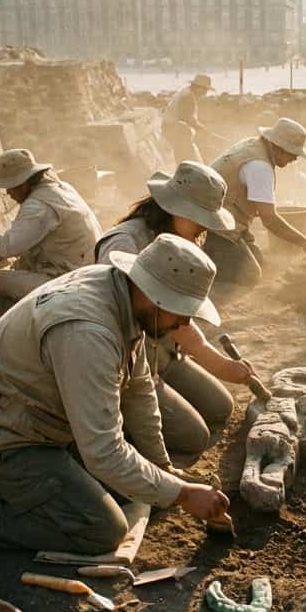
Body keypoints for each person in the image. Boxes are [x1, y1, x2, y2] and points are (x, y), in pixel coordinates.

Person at [0, 235, 231, 562]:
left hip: (21, 417)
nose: (184, 322)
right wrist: (183, 494)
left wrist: (163, 468)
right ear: (153, 295)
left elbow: (138, 391)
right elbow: (104, 452)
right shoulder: (88, 332)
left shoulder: (118, 291)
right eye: (180, 310)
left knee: (139, 487)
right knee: (100, 528)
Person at [94, 161, 252, 463]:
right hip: (130, 361)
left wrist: (220, 364)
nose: (205, 230)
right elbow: (116, 319)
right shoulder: (125, 243)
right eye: (201, 220)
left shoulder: (185, 237)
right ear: (177, 209)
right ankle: (124, 427)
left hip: (164, 351)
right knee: (194, 436)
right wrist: (217, 364)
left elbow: (179, 316)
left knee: (221, 407)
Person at [206, 118, 306, 285]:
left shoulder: (253, 145)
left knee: (258, 262)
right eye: (292, 153)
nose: (294, 159)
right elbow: (269, 219)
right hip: (211, 226)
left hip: (218, 218)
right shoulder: (259, 166)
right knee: (249, 275)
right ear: (278, 147)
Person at [0, 148, 102, 301]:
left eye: (10, 186)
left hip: (73, 283)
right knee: (22, 263)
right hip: (89, 270)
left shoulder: (37, 206)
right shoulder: (62, 187)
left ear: (23, 183)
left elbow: (8, 247)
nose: (8, 193)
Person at [163, 74, 216, 163]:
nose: (205, 93)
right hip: (174, 129)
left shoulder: (186, 93)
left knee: (186, 157)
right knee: (188, 158)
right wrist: (202, 129)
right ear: (199, 88)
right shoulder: (187, 97)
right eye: (205, 90)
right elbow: (187, 119)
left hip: (173, 128)